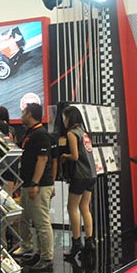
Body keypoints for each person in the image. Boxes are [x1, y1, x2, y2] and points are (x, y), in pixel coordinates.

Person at [13, 103, 55, 272]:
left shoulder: (40, 134)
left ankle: (47, 258)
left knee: (41, 221)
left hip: (39, 184)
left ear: (30, 114)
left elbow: (42, 159)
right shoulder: (30, 132)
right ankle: (32, 248)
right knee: (25, 218)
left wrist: (35, 183)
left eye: (23, 112)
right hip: (28, 182)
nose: (22, 115)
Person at [58, 105, 97, 259]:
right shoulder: (84, 132)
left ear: (69, 118)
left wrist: (64, 156)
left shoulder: (72, 133)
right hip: (91, 174)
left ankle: (76, 243)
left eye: (64, 117)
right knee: (85, 207)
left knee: (72, 207)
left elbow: (75, 156)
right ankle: (89, 241)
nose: (63, 120)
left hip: (80, 175)